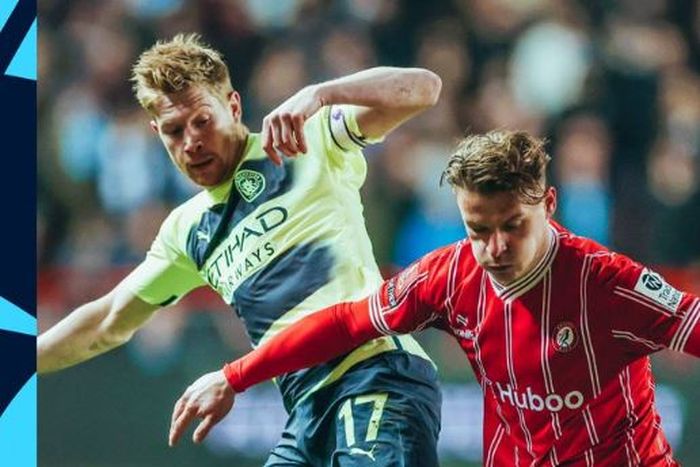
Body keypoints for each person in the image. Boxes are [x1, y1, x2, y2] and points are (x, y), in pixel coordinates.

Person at [172, 130, 700, 466]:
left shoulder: (606, 285)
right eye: (477, 229)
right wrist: (234, 375)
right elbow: (346, 324)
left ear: (549, 204)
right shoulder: (449, 275)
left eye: (513, 226)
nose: (495, 248)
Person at [38, 33, 445, 466]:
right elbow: (108, 319)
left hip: (377, 374)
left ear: (233, 106)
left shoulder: (301, 140)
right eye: (174, 131)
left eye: (202, 121)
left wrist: (320, 94)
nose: (191, 141)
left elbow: (423, 89)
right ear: (156, 132)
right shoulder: (186, 230)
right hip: (305, 410)